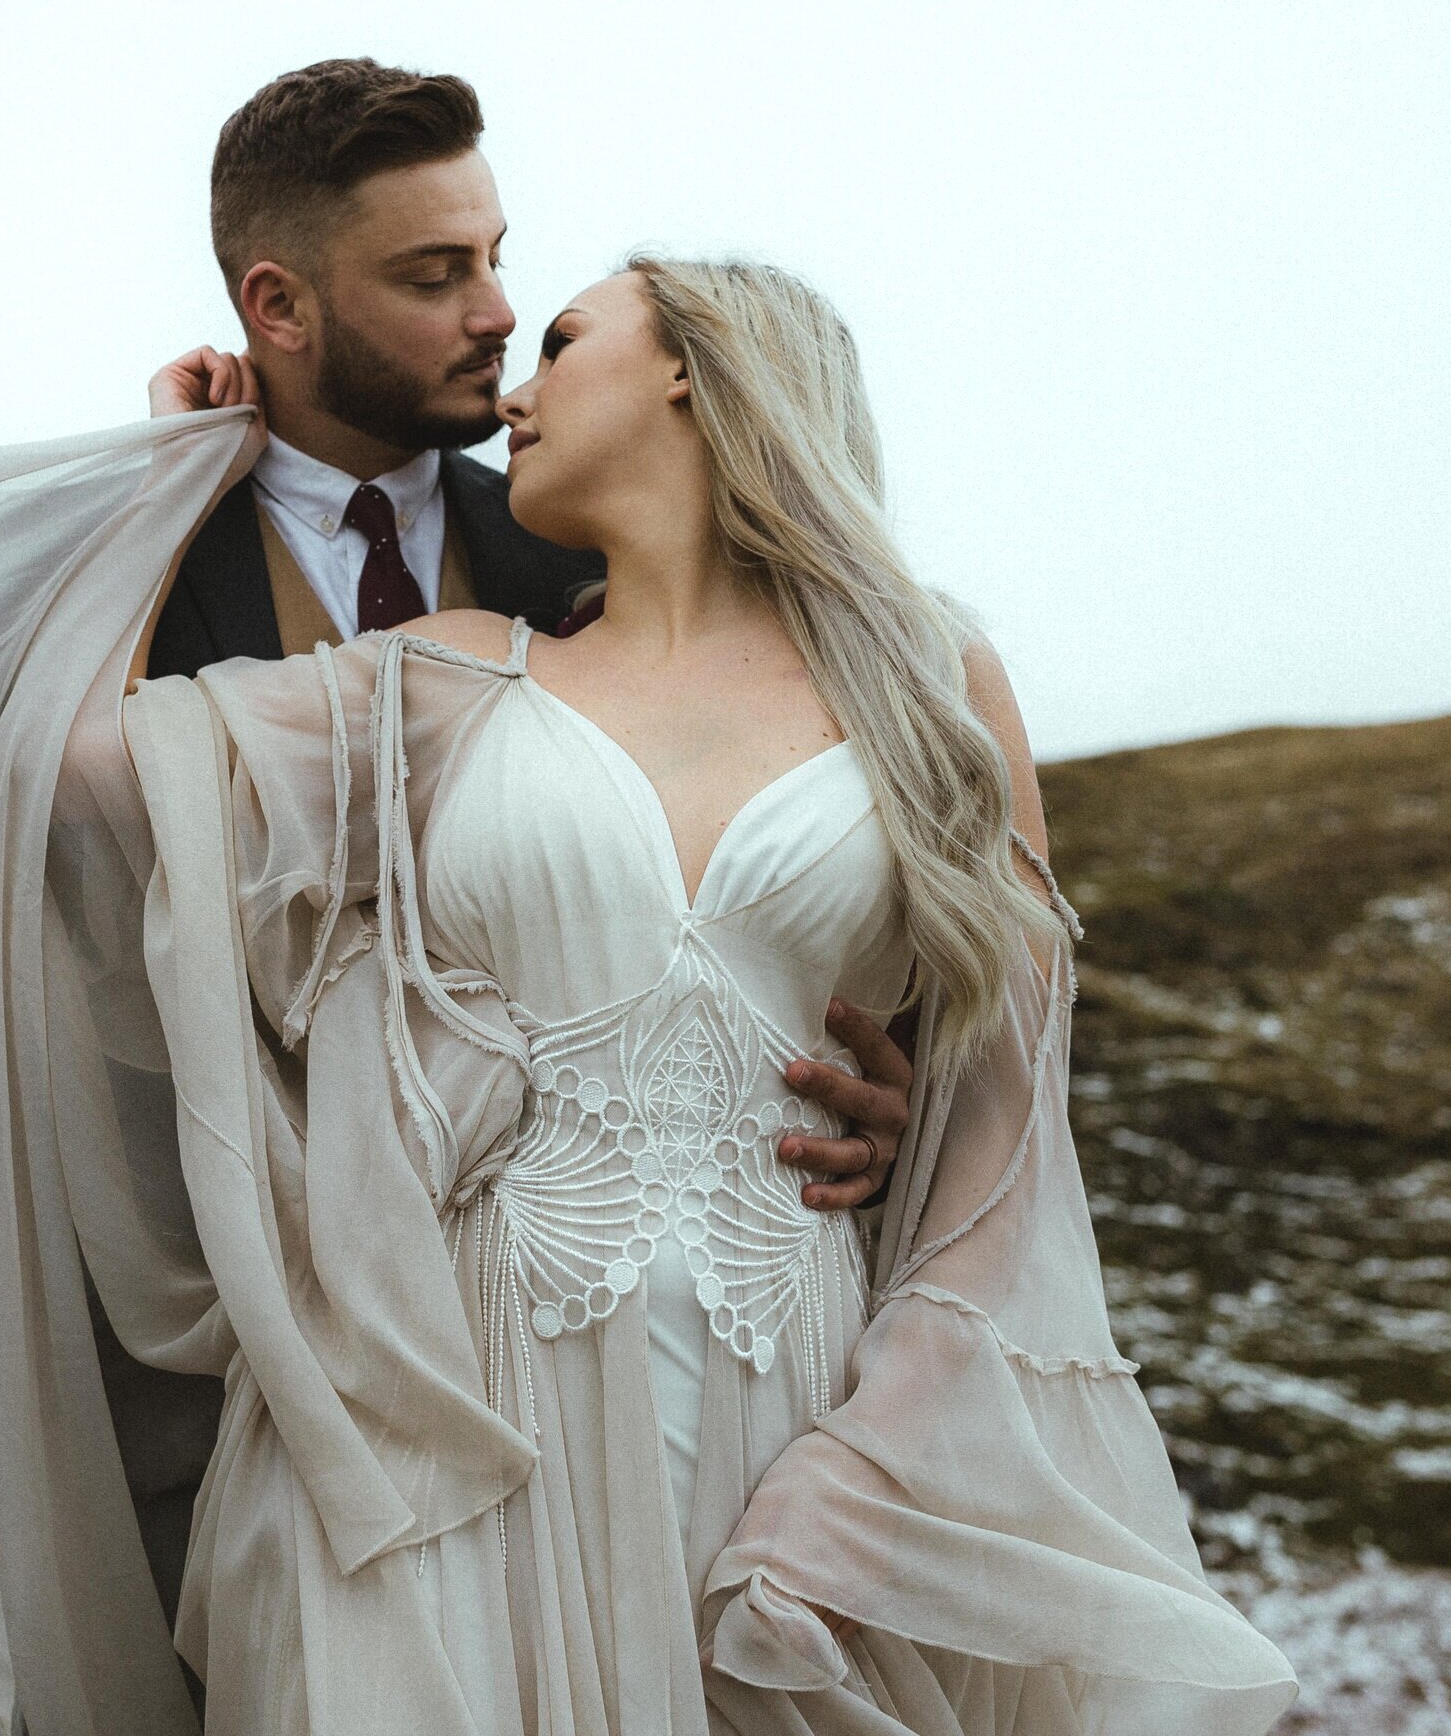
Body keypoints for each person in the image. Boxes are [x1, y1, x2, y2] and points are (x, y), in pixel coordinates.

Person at [84, 252, 1300, 1730]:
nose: (512, 394)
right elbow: (100, 777)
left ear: (690, 365)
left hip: (786, 1412)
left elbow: (1006, 1128)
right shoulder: (438, 679)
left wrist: (880, 1462)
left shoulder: (929, 685)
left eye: (563, 339)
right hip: (456, 1421)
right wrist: (169, 477)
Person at [101, 60, 927, 1689]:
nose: (496, 311)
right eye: (435, 276)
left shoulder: (596, 544)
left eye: (499, 259)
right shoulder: (122, 559)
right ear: (276, 303)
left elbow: (831, 877)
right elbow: (29, 881)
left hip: (709, 1358)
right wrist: (140, 511)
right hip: (229, 1364)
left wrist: (910, 1091)